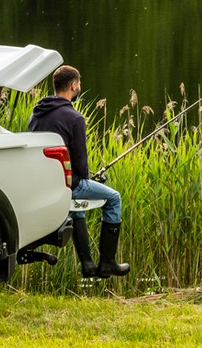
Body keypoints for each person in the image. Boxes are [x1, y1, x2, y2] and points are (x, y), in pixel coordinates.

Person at [27, 65, 129, 278]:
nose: (79, 87)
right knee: (114, 198)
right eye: (79, 83)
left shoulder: (36, 114)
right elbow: (81, 163)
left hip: (42, 182)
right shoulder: (74, 118)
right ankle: (108, 263)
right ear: (73, 85)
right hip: (66, 184)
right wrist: (84, 177)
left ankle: (88, 264)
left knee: (76, 206)